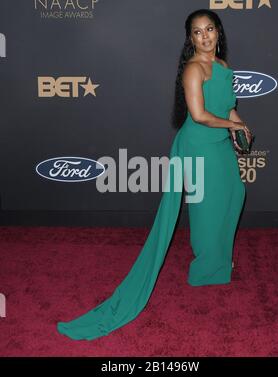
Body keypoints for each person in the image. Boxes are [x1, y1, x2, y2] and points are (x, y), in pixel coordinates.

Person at [57, 9, 252, 341]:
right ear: (190, 39)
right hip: (198, 145)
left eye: (209, 30)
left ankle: (219, 262)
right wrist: (232, 124)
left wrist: (240, 121)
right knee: (207, 211)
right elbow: (201, 115)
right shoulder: (194, 69)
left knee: (234, 196)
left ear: (219, 32)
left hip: (219, 144)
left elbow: (226, 106)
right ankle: (205, 270)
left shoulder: (222, 67)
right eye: (197, 32)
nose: (205, 37)